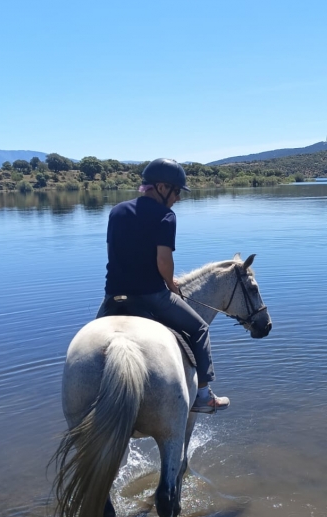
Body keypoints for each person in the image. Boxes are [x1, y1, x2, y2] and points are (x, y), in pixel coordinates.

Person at [96, 158, 229, 413]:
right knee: (200, 329)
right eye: (176, 191)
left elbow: (113, 254)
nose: (178, 198)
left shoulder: (116, 211)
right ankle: (203, 396)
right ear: (161, 187)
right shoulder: (165, 216)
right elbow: (163, 261)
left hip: (113, 296)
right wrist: (171, 284)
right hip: (151, 295)